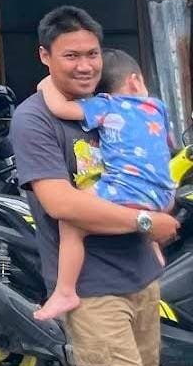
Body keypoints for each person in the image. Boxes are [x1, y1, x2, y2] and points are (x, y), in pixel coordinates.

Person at [10, 5, 179, 366]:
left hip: (142, 279)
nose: (84, 65)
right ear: (45, 56)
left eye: (91, 54)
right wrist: (146, 222)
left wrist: (153, 212)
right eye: (71, 56)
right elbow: (61, 204)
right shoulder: (35, 119)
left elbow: (160, 171)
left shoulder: (115, 103)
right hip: (92, 289)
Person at [34, 49, 174, 322]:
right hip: (162, 192)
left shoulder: (106, 105)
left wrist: (47, 85)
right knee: (139, 213)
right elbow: (166, 143)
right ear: (135, 80)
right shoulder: (157, 107)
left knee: (72, 218)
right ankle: (153, 250)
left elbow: (60, 108)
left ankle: (65, 291)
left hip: (126, 188)